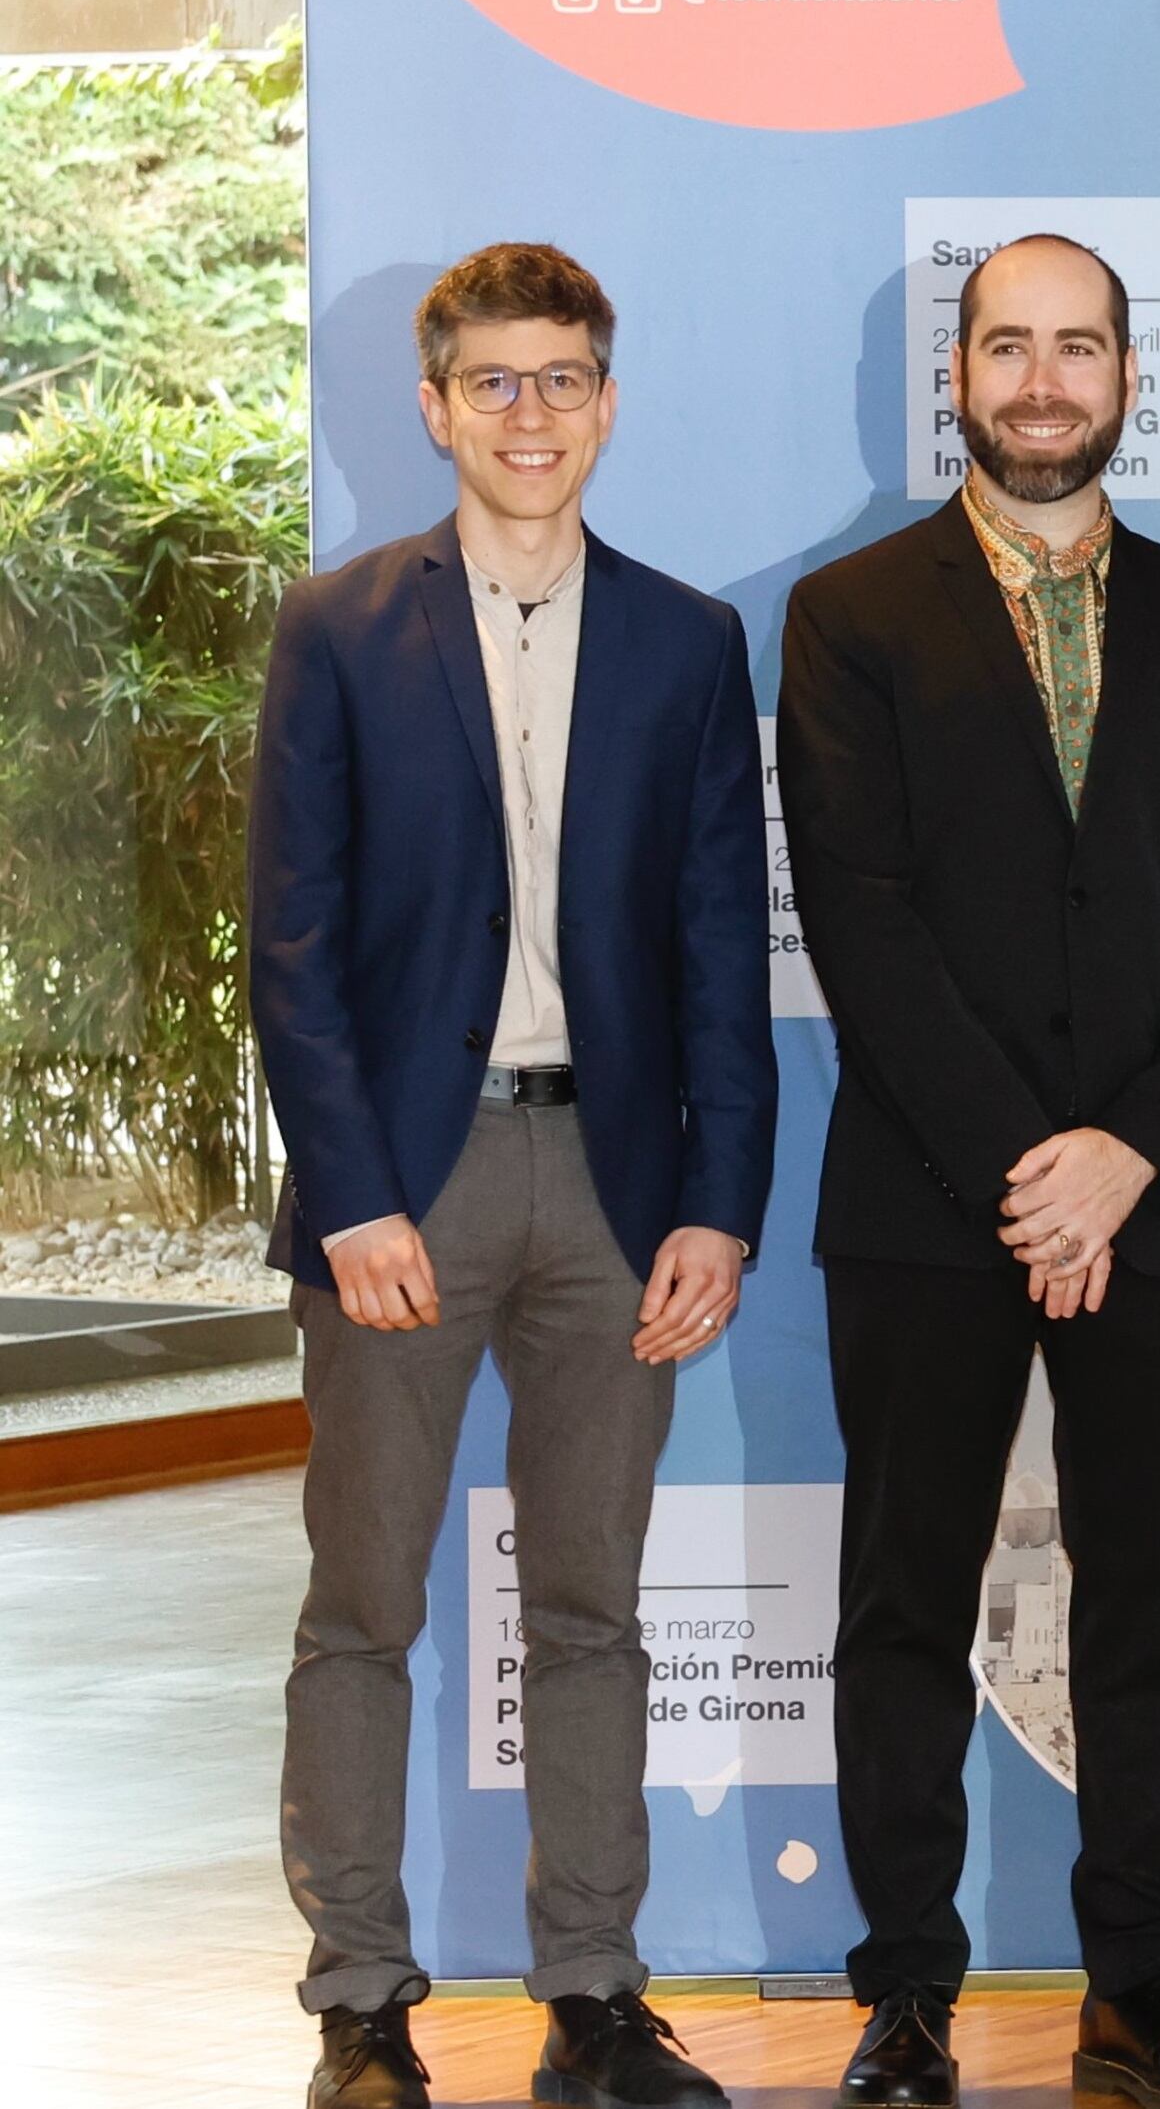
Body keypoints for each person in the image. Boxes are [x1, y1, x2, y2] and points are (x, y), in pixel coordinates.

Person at [777, 233, 1160, 2109]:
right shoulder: (850, 615)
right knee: (905, 1600)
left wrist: (1127, 1156)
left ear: (1126, 377)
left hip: (1159, 1206)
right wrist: (1031, 1169)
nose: (1043, 381)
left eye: (1078, 347)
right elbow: (863, 919)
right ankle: (907, 1991)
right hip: (928, 1202)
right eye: (1010, 345)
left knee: (1152, 1604)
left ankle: (1140, 1986)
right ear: (959, 374)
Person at [251, 242, 774, 2109]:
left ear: (608, 400)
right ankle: (364, 2004)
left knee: (592, 1612)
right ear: (436, 405)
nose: (531, 413)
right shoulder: (336, 627)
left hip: (620, 1193)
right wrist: (356, 1190)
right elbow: (291, 949)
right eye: (496, 382)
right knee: (363, 1609)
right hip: (407, 1181)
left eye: (563, 379)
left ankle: (593, 1996)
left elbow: (724, 951)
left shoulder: (688, 641)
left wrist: (720, 1204)